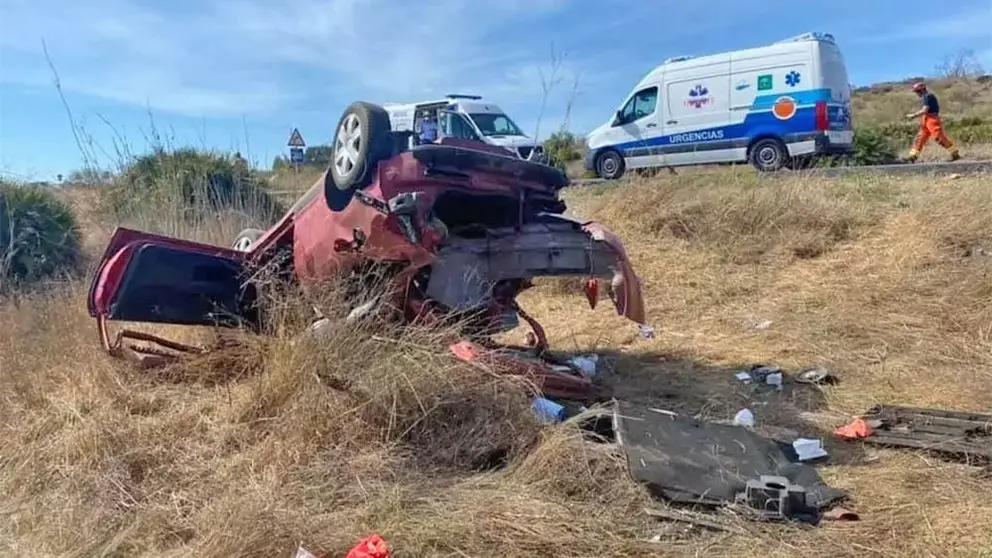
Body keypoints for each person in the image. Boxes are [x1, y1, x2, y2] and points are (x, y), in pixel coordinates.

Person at [903, 82, 960, 163]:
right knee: (920, 138)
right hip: (926, 119)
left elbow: (925, 110)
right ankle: (912, 157)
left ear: (922, 90)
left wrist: (913, 115)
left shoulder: (928, 96)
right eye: (916, 92)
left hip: (932, 119)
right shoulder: (925, 97)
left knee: (938, 138)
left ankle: (954, 153)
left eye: (917, 91)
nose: (917, 93)